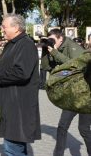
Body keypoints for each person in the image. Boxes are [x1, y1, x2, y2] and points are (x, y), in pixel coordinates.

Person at [0, 13, 41, 155]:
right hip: (12, 105)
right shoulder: (15, 43)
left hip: (19, 108)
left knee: (13, 150)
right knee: (15, 148)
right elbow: (12, 68)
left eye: (4, 27)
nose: (2, 30)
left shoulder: (25, 44)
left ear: (16, 28)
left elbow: (21, 72)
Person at [41, 28, 91, 156]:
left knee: (84, 129)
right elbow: (46, 67)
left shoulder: (74, 48)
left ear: (61, 39)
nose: (52, 42)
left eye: (53, 40)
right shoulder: (56, 48)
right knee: (62, 127)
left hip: (85, 95)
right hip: (72, 94)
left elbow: (76, 66)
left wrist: (56, 53)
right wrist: (45, 50)